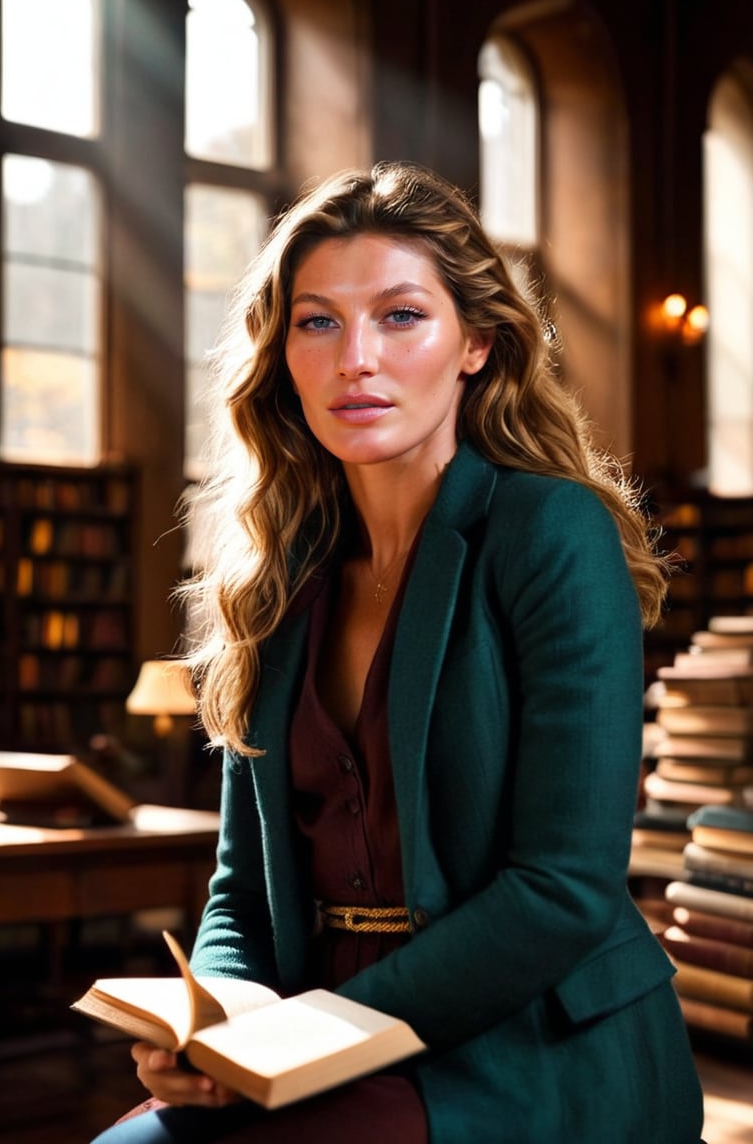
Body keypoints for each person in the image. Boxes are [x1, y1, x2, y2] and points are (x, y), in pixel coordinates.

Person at [91, 161, 705, 1143]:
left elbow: (563, 892)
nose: (355, 360)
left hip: (520, 1043)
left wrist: (311, 1038)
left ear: (476, 346)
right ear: (282, 354)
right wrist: (212, 1025)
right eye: (318, 321)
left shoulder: (549, 532)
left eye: (402, 316)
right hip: (302, 1025)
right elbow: (239, 889)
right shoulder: (278, 575)